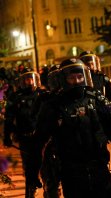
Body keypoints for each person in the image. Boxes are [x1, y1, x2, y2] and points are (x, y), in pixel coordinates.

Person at [33, 58, 111, 198]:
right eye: (72, 78)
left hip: (99, 165)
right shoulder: (53, 105)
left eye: (80, 76)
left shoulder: (96, 98)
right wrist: (35, 172)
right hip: (71, 171)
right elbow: (39, 140)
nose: (77, 81)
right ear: (63, 79)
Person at [3, 68, 44, 198]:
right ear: (22, 81)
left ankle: (42, 183)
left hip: (42, 136)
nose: (30, 81)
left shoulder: (42, 94)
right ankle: (30, 190)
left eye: (31, 78)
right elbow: (9, 118)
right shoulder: (16, 97)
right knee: (28, 165)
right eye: (26, 79)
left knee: (43, 163)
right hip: (25, 137)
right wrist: (7, 136)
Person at [36, 65, 62, 198]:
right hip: (52, 149)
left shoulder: (80, 98)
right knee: (52, 187)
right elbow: (40, 130)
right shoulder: (45, 100)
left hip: (74, 151)